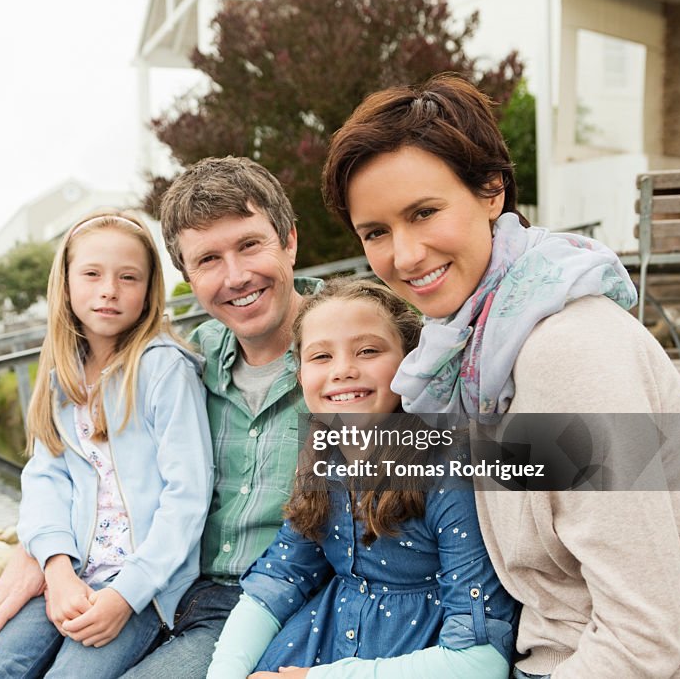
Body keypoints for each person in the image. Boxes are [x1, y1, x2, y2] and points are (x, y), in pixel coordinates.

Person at [321, 73, 680, 678]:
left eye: (424, 212)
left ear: (491, 190)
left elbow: (643, 637)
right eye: (376, 232)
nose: (404, 255)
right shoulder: (471, 350)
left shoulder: (565, 351)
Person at [0, 158, 322, 678]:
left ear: (289, 242)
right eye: (208, 260)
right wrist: (42, 552)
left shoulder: (350, 357)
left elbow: (455, 470)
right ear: (187, 277)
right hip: (182, 593)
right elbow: (59, 470)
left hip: (269, 603)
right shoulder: (197, 357)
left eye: (250, 245)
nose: (237, 275)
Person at [207, 277, 518, 679]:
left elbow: (481, 661)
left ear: (410, 360)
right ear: (299, 375)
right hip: (322, 641)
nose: (343, 370)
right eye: (320, 357)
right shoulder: (323, 459)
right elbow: (280, 579)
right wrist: (224, 672)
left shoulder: (447, 469)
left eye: (368, 350)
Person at [0, 211, 214, 678]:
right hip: (70, 574)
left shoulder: (163, 370)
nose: (109, 289)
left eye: (128, 277)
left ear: (149, 289)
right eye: (92, 274)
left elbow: (188, 496)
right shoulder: (63, 377)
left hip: (139, 592)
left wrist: (125, 595)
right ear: (67, 283)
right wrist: (55, 568)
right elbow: (44, 478)